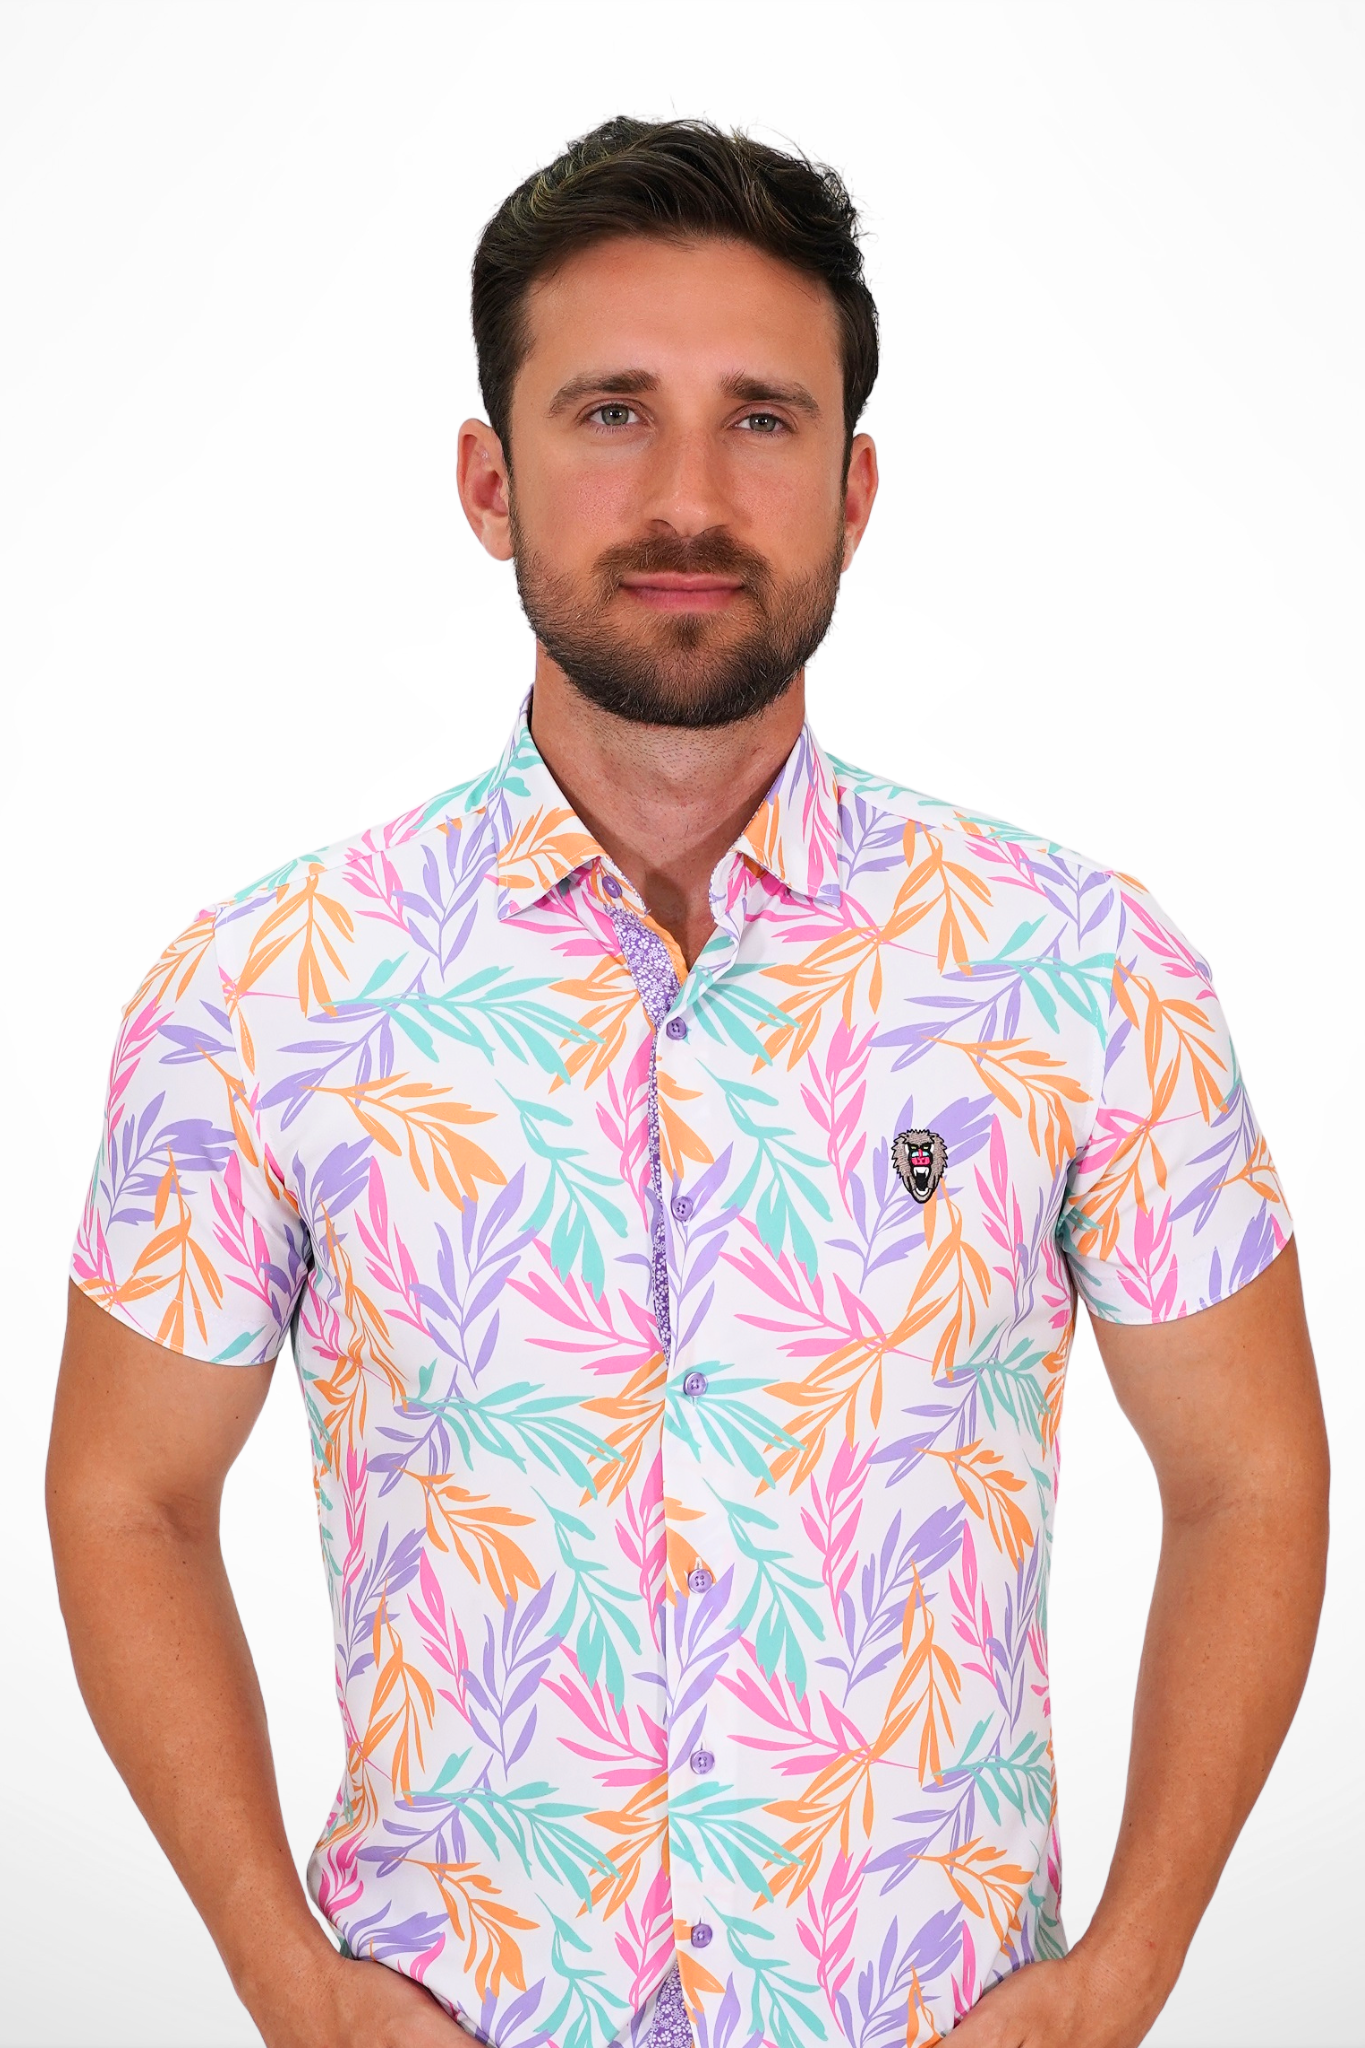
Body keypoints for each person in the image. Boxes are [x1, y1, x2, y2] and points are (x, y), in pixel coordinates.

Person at [48, 117, 1328, 2048]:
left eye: (761, 420)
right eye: (612, 413)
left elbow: (1251, 1477)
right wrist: (286, 1981)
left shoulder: (1080, 967)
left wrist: (1121, 1978)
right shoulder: (262, 994)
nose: (687, 499)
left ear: (854, 487)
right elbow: (126, 1492)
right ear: (489, 480)